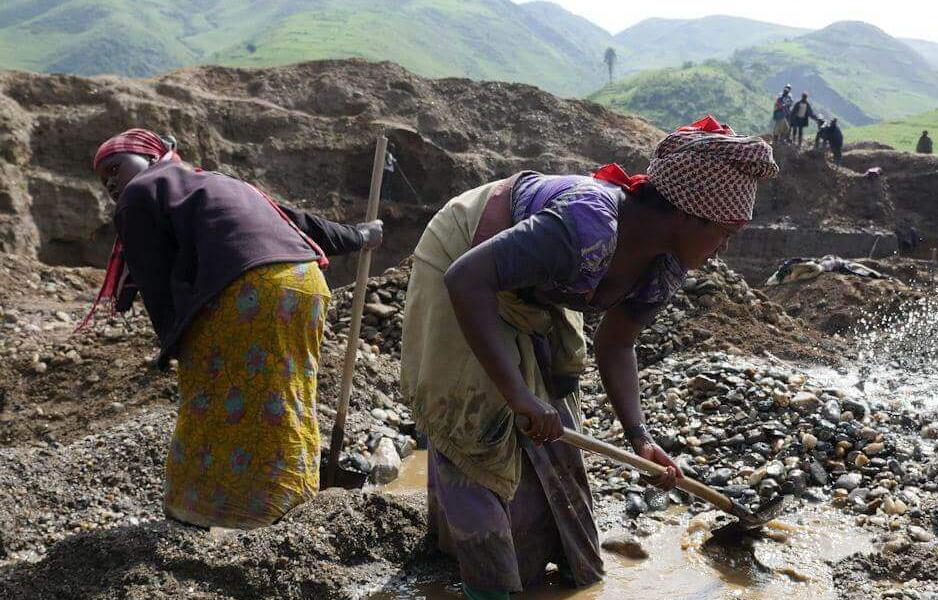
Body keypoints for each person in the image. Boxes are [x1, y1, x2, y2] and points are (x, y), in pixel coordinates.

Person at [399, 116, 778, 599]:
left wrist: (640, 439)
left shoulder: (665, 266)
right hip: (465, 258)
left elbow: (617, 343)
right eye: (724, 232)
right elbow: (465, 280)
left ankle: (559, 575)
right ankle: (489, 585)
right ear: (688, 214)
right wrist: (515, 394)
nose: (725, 247)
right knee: (477, 427)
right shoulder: (587, 225)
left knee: (556, 428)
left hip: (536, 289)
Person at [85, 128, 384, 529]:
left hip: (246, 291)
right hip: (305, 285)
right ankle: (288, 505)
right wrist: (362, 236)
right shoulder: (219, 183)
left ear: (151, 157)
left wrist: (173, 345)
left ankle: (198, 511)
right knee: (283, 397)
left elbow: (154, 279)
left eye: (115, 167)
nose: (111, 182)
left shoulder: (141, 193)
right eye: (104, 178)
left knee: (206, 398)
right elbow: (298, 223)